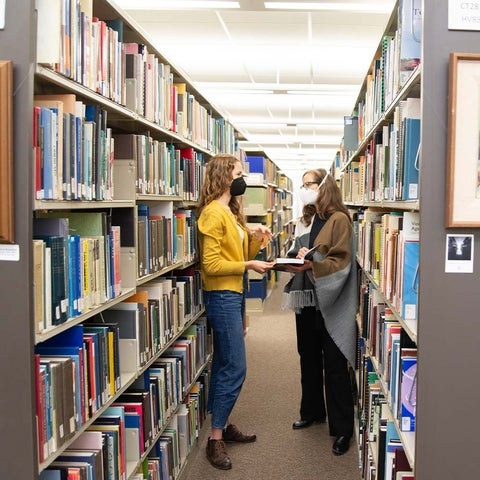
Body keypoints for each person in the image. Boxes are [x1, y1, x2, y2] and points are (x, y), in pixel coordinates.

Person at [196, 153, 273, 470]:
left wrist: (254, 241)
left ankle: (222, 424)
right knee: (236, 368)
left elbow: (239, 254)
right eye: (238, 174)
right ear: (223, 177)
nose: (242, 179)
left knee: (224, 363)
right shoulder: (213, 213)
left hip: (235, 292)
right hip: (222, 295)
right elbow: (211, 266)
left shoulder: (230, 211)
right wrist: (248, 264)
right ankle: (215, 441)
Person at [282, 168, 357, 456]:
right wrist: (297, 256)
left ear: (325, 187)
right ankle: (312, 410)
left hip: (328, 296)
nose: (305, 190)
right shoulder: (311, 217)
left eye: (309, 185)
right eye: (302, 186)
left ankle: (342, 429)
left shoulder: (339, 219)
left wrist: (313, 262)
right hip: (308, 296)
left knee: (334, 364)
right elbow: (302, 247)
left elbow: (341, 260)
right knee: (308, 356)